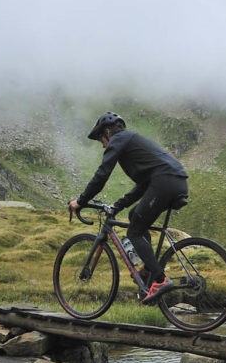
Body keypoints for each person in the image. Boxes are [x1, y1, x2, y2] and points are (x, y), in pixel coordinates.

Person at [69, 111, 189, 304]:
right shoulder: (132, 144)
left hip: (165, 181)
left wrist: (81, 201)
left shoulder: (119, 139)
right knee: (135, 216)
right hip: (175, 181)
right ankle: (149, 271)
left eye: (101, 139)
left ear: (108, 132)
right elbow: (142, 186)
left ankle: (160, 280)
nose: (102, 145)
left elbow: (102, 175)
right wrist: (117, 206)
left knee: (134, 232)